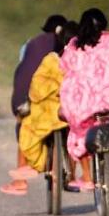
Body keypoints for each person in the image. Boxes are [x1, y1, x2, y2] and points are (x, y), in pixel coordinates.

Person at [59, 8, 109, 192]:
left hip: (85, 104)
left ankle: (86, 177)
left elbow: (64, 66)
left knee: (80, 132)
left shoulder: (74, 45)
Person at [0, 14, 67, 195]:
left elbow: (23, 66)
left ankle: (20, 179)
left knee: (24, 125)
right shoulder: (73, 46)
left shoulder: (31, 43)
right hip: (62, 97)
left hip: (30, 95)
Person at [14, 21, 79, 177]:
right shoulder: (81, 58)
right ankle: (77, 175)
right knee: (77, 134)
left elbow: (35, 84)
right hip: (70, 108)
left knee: (27, 127)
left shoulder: (48, 57)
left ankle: (25, 170)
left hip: (46, 106)